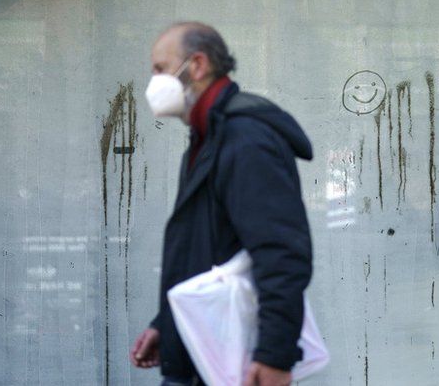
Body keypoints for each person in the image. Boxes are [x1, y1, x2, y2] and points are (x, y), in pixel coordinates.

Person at [130, 22, 314, 386]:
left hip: (230, 361)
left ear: (197, 66)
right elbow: (204, 249)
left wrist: (274, 356)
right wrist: (166, 324)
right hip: (204, 350)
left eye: (160, 69)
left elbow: (280, 254)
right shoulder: (209, 137)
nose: (154, 82)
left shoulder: (245, 140)